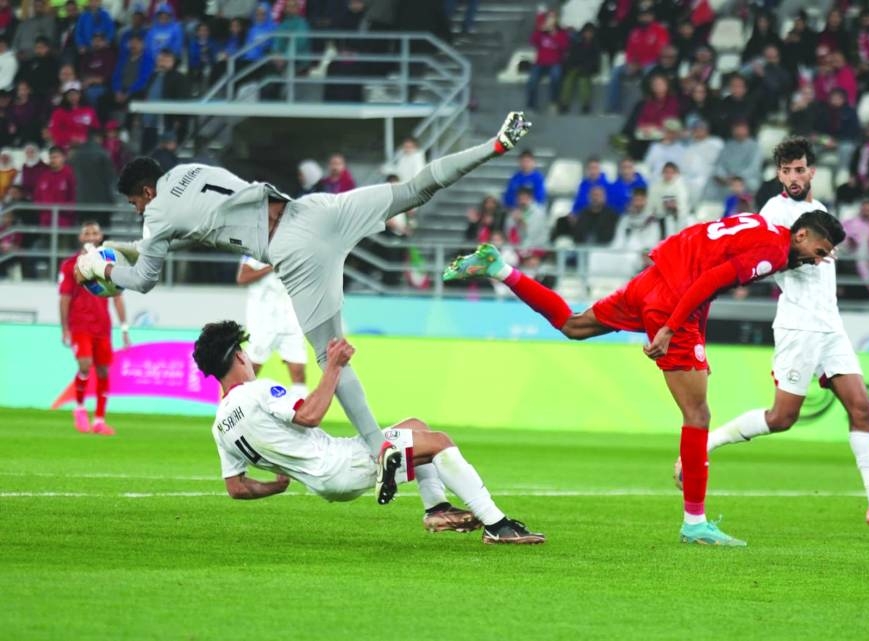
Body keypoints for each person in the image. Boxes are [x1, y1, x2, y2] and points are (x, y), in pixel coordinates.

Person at [73, 112, 534, 528]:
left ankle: (379, 447)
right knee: (413, 190)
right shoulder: (190, 171)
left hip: (294, 251)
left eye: (135, 203)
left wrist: (102, 268)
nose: (139, 211)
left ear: (146, 192)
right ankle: (494, 145)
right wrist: (121, 248)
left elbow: (145, 276)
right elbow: (172, 234)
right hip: (314, 211)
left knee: (332, 357)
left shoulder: (156, 214)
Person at [443, 208, 846, 546]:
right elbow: (708, 282)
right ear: (802, 234)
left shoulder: (758, 224)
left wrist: (695, 338)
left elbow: (703, 262)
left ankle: (501, 268)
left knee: (574, 325)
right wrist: (671, 328)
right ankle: (695, 523)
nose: (816, 261)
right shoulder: (773, 252)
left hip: (654, 280)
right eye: (818, 252)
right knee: (698, 415)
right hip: (673, 303)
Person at [699, 137, 869, 530]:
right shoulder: (774, 212)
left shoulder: (820, 212)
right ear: (778, 174)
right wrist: (802, 257)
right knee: (782, 418)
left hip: (830, 325)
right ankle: (705, 446)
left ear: (812, 171)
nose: (793, 177)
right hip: (799, 325)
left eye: (799, 169)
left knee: (862, 408)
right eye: (786, 170)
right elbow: (766, 261)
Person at [194, 320, 545, 544]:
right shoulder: (258, 391)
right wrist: (333, 367)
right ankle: (497, 526)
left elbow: (236, 488)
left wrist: (276, 484)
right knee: (439, 443)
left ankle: (436, 507)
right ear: (239, 356)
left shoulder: (220, 425)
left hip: (323, 482)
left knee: (416, 427)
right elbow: (310, 415)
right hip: (340, 462)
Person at [59, 220, 130, 435]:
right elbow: (64, 298)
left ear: (100, 237)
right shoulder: (70, 265)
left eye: (94, 233)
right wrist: (65, 329)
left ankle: (99, 420)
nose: (90, 237)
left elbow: (117, 297)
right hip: (80, 325)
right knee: (85, 365)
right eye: (87, 233)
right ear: (81, 237)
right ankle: (80, 409)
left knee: (103, 371)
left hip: (102, 327)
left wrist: (124, 328)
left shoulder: (108, 264)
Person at [235, 254, 308, 398]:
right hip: (263, 323)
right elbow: (242, 278)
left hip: (290, 322)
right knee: (251, 371)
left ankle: (301, 411)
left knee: (299, 373)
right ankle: (240, 405)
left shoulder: (295, 251)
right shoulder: (256, 252)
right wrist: (271, 268)